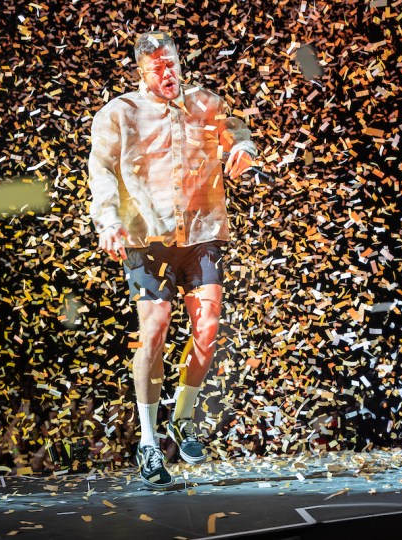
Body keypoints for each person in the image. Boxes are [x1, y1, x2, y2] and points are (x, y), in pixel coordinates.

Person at [88, 31, 257, 489]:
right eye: (157, 68)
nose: (168, 74)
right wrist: (108, 221)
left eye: (172, 64)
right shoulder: (119, 113)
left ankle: (182, 419)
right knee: (155, 328)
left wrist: (242, 149)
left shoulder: (205, 102)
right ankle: (148, 441)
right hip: (146, 238)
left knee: (207, 328)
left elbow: (236, 131)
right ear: (141, 71)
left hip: (201, 233)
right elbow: (100, 169)